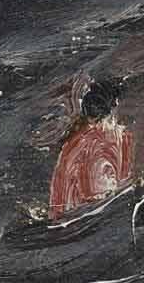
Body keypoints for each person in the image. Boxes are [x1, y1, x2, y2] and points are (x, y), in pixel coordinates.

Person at [47, 78, 135, 221]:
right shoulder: (84, 145)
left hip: (99, 214)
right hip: (82, 219)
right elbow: (65, 204)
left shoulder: (123, 138)